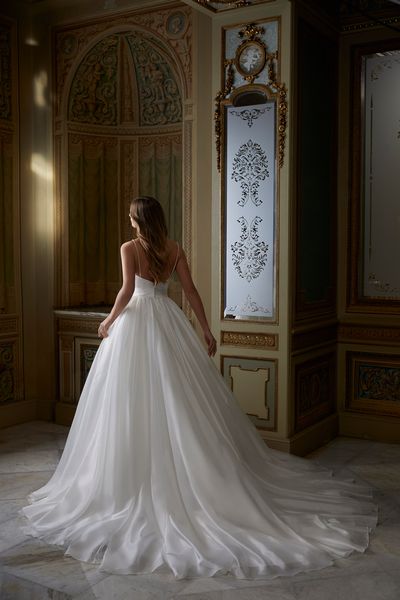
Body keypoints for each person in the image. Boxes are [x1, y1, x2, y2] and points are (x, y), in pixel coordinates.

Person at [21, 196, 377, 580]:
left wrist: (109, 321)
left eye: (130, 216)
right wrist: (205, 329)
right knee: (177, 400)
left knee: (133, 403)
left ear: (140, 220)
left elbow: (126, 291)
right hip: (168, 323)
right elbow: (189, 292)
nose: (128, 221)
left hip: (137, 323)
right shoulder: (173, 249)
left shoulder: (129, 248)